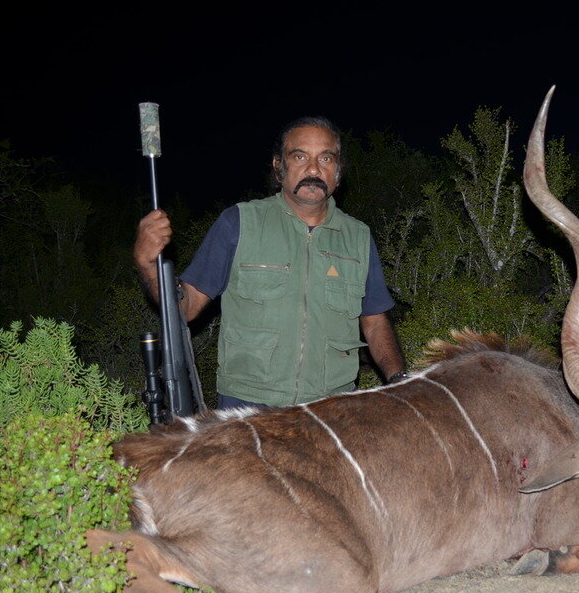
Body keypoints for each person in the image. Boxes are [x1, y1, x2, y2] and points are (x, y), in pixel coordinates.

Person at [134, 116, 407, 410]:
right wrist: (148, 264)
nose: (313, 169)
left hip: (333, 407)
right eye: (299, 156)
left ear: (338, 172)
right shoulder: (239, 223)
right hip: (249, 405)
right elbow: (185, 309)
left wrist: (400, 381)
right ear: (279, 166)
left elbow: (376, 322)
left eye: (326, 158)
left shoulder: (358, 237)